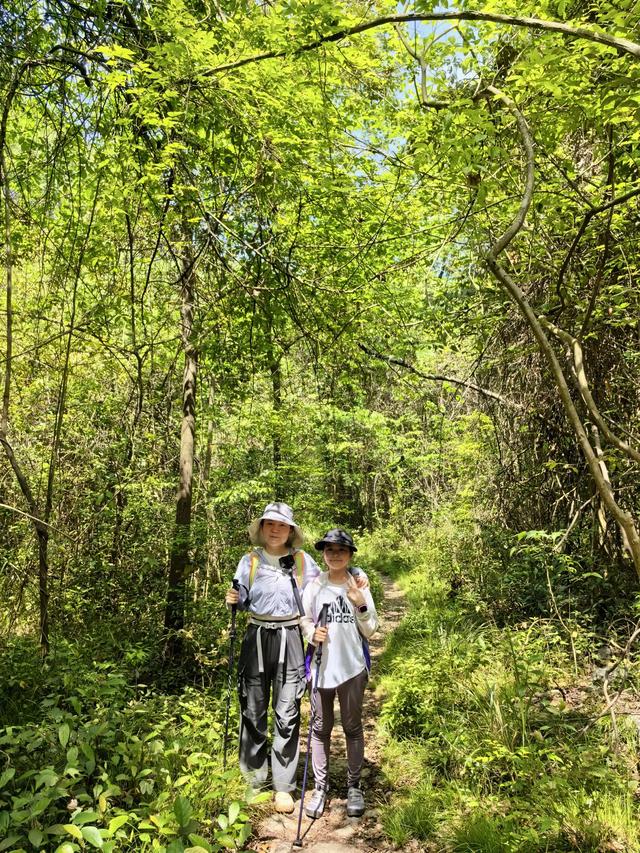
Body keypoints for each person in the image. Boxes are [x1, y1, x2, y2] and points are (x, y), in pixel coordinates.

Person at [225, 503, 368, 814]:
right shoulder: (249, 561)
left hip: (291, 634)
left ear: (291, 531)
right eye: (270, 524)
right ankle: (254, 778)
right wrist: (233, 600)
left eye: (282, 525)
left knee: (287, 710)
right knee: (253, 706)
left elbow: (333, 576)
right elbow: (243, 598)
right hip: (256, 635)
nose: (275, 530)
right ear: (261, 528)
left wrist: (357, 572)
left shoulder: (303, 561)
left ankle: (283, 785)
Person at [300, 528, 378, 820]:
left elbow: (371, 628)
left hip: (353, 668)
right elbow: (304, 619)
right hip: (320, 669)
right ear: (323, 553)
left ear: (350, 555)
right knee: (320, 728)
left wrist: (359, 602)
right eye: (329, 550)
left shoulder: (358, 584)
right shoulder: (315, 586)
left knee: (352, 726)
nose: (335, 555)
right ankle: (320, 787)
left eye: (341, 550)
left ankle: (354, 787)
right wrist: (311, 633)